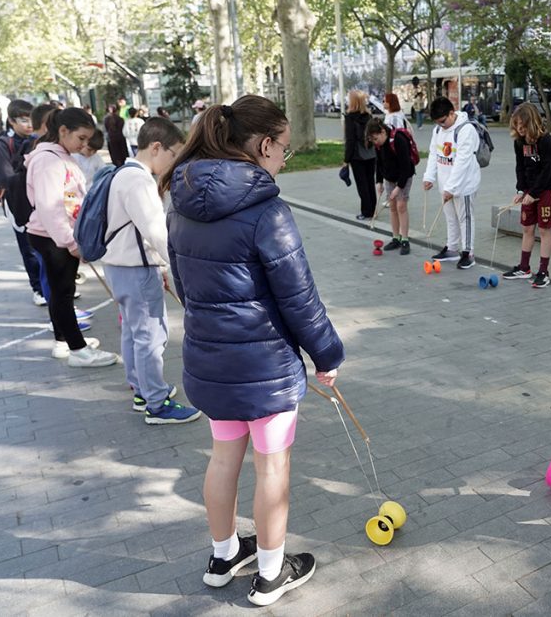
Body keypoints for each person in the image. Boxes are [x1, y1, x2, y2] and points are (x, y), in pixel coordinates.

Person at [162, 95, 344, 606]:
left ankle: (223, 556)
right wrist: (327, 355)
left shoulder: (180, 202)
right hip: (265, 367)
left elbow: (185, 286)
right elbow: (299, 298)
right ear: (264, 145)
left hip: (209, 359)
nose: (285, 157)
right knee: (272, 468)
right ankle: (270, 572)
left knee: (223, 459)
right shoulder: (267, 211)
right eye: (285, 148)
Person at [103, 117, 199, 425]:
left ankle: (142, 390)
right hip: (137, 269)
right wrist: (178, 266)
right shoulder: (139, 181)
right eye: (173, 154)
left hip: (119, 267)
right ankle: (157, 403)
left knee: (134, 332)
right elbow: (157, 232)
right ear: (156, 147)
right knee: (151, 335)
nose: (174, 162)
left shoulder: (122, 173)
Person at [25, 107, 118, 367]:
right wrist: (70, 242)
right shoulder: (48, 160)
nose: (84, 144)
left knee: (62, 292)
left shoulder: (60, 155)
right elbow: (50, 207)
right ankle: (77, 349)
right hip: (53, 237)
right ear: (63, 131)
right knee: (62, 293)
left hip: (58, 235)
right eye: (81, 138)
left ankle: (65, 341)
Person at [0, 99, 47, 306]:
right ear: (11, 121)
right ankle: (38, 288)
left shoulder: (37, 140)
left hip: (39, 201)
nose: (28, 124)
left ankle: (53, 287)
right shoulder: (4, 145)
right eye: (23, 120)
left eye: (31, 119)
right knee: (29, 246)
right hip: (19, 202)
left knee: (47, 247)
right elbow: (5, 178)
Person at [502, 103, 551, 288]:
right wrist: (520, 190)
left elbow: (548, 170)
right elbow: (520, 167)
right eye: (516, 125)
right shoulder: (519, 142)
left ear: (531, 122)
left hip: (545, 190)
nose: (519, 129)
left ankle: (543, 271)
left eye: (522, 125)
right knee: (527, 228)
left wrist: (534, 193)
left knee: (544, 230)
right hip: (528, 191)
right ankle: (524, 267)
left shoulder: (546, 141)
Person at [423, 96, 481, 269]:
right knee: (450, 217)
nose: (441, 125)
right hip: (445, 183)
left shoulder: (466, 129)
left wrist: (451, 188)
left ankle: (468, 253)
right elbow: (434, 153)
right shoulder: (438, 130)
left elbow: (462, 161)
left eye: (443, 121)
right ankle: (452, 248)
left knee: (465, 218)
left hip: (464, 185)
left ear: (451, 113)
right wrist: (429, 176)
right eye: (437, 122)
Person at [366, 119, 414, 255]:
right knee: (392, 207)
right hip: (389, 177)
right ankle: (395, 237)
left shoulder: (398, 139)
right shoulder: (378, 145)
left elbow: (406, 166)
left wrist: (399, 187)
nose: (375, 143)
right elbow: (379, 163)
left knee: (401, 206)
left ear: (382, 132)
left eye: (376, 139)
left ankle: (405, 239)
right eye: (372, 140)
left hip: (404, 176)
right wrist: (379, 181)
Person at [343, 90, 377, 220]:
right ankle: (373, 209)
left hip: (357, 155)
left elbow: (350, 140)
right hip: (371, 153)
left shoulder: (350, 118)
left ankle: (366, 211)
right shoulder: (368, 116)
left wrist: (346, 160)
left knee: (362, 184)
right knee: (370, 182)